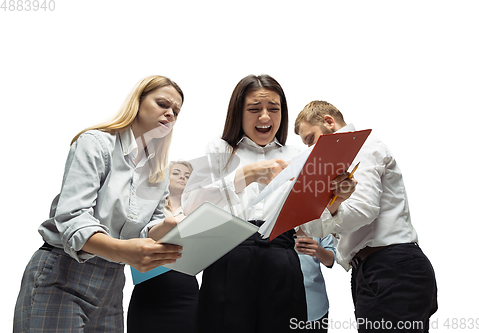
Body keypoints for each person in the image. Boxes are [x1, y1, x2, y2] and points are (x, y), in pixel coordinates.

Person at [182, 74, 357, 333]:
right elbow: (190, 205)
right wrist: (245, 176)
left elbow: (312, 223)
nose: (265, 117)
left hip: (282, 257)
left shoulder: (298, 156)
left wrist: (336, 200)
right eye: (254, 109)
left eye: (274, 109)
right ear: (238, 113)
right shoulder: (219, 150)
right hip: (229, 255)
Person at [14, 75, 185, 333]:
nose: (170, 114)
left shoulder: (157, 172)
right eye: (162, 104)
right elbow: (73, 219)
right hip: (63, 272)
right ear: (137, 102)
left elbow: (146, 228)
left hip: (112, 283)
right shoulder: (95, 143)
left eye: (176, 111)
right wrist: (123, 250)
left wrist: (168, 227)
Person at [294, 100, 438, 332]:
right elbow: (315, 227)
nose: (311, 150)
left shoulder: (360, 148)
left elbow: (363, 210)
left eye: (311, 139)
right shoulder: (337, 164)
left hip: (391, 268)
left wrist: (329, 213)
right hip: (376, 271)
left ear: (329, 122)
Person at [127, 160, 199, 333]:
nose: (182, 176)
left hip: (185, 290)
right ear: (164, 178)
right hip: (149, 286)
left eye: (187, 175)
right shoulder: (146, 209)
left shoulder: (197, 212)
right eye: (176, 172)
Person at [295, 230, 336, 333]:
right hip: (278, 300)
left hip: (314, 303)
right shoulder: (270, 219)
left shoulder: (320, 221)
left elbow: (330, 260)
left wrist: (318, 251)